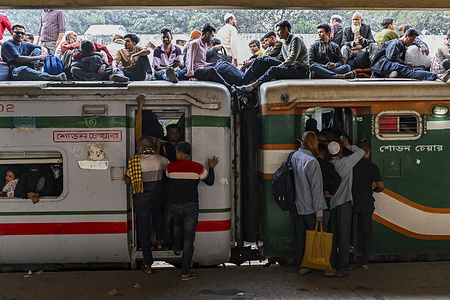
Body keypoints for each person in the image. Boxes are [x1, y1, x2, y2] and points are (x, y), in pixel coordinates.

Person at [166, 142, 218, 280]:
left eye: (176, 152)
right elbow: (210, 181)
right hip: (191, 206)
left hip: (174, 205)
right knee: (189, 240)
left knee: (177, 225)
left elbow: (168, 180)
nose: (175, 154)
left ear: (181, 154)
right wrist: (211, 168)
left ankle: (176, 248)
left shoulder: (170, 167)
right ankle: (185, 272)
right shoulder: (198, 168)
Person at [125, 135, 169, 274]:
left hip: (142, 200)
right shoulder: (162, 160)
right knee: (158, 219)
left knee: (144, 230)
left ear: (143, 146)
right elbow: (169, 173)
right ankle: (160, 242)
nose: (137, 148)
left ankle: (148, 265)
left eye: (138, 145)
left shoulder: (134, 161)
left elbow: (127, 180)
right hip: (158, 197)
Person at [290, 131, 328, 276]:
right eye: (317, 142)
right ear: (312, 143)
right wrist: (319, 212)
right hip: (312, 208)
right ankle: (323, 266)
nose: (318, 144)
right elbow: (316, 190)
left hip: (299, 205)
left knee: (302, 238)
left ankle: (302, 266)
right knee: (319, 237)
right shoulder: (312, 162)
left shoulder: (295, 156)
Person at [236, 20, 309, 93]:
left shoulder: (295, 39)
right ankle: (243, 82)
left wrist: (279, 67)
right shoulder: (284, 42)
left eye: (278, 31)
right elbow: (279, 57)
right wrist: (264, 58)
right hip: (290, 66)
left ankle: (252, 86)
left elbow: (292, 59)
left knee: (273, 69)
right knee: (261, 60)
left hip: (299, 70)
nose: (277, 33)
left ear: (286, 29)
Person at [328, 138, 365, 276]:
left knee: (333, 236)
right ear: (340, 151)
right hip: (344, 204)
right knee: (344, 237)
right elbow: (361, 152)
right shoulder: (346, 162)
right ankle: (342, 267)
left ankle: (330, 264)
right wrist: (349, 145)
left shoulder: (328, 164)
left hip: (331, 205)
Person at [352, 141, 384, 269]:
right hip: (366, 203)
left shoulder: (350, 165)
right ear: (368, 153)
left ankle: (344, 256)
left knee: (345, 229)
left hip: (351, 202)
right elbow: (381, 186)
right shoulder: (372, 167)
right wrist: (375, 188)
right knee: (366, 233)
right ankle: (364, 261)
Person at [371, 29, 450, 82]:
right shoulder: (395, 44)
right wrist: (405, 63)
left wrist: (422, 45)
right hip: (382, 64)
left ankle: (437, 75)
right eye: (411, 39)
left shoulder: (404, 43)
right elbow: (391, 57)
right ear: (406, 36)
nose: (412, 42)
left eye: (413, 40)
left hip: (391, 64)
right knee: (406, 69)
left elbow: (416, 42)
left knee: (419, 68)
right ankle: (438, 76)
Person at [185, 23, 243, 88]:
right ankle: (228, 86)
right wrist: (190, 76)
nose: (212, 38)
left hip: (202, 68)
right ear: (207, 34)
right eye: (211, 36)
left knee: (221, 64)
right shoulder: (194, 44)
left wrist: (215, 63)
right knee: (211, 70)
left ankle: (240, 76)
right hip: (197, 72)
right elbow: (190, 60)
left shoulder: (204, 46)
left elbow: (202, 63)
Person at [1, 24, 67, 81]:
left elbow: (42, 48)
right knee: (23, 70)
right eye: (17, 33)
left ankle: (36, 67)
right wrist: (39, 57)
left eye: (22, 33)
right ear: (12, 33)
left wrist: (43, 55)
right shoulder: (8, 44)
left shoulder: (24, 43)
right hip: (15, 70)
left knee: (37, 50)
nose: (20, 35)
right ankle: (53, 77)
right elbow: (19, 59)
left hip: (28, 65)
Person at [316, 142, 341, 230]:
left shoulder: (309, 163)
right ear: (323, 153)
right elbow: (337, 178)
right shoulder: (328, 165)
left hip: (309, 203)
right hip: (324, 200)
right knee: (324, 227)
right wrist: (330, 191)